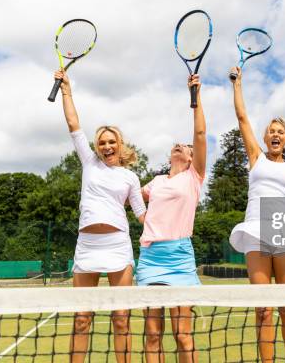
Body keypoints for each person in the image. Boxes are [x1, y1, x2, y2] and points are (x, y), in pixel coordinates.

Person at [54, 70, 146, 363]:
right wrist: (67, 89)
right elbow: (73, 123)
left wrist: (171, 228)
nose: (107, 146)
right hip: (87, 247)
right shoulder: (89, 162)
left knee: (122, 319)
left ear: (120, 145)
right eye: (102, 142)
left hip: (118, 246)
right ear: (97, 147)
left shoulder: (131, 177)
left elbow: (142, 215)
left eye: (112, 142)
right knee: (82, 318)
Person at [227, 66, 285, 363]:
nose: (275, 135)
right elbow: (242, 118)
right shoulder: (256, 156)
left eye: (280, 132)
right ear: (265, 137)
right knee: (263, 309)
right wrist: (238, 85)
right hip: (255, 231)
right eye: (271, 131)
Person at [136, 74, 206, 363]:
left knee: (182, 335)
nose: (181, 145)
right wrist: (145, 221)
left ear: (191, 158)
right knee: (152, 335)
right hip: (150, 258)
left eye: (185, 146)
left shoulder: (194, 177)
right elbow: (131, 196)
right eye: (176, 145)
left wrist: (195, 96)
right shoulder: (155, 182)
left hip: (180, 257)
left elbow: (200, 135)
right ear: (170, 157)